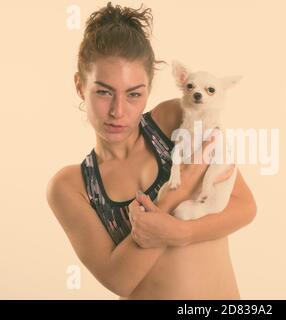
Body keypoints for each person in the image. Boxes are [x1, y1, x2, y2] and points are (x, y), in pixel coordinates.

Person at [46, 2, 256, 299]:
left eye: (134, 94)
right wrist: (173, 198)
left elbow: (245, 206)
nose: (118, 111)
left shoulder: (174, 120)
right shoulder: (71, 186)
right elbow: (119, 279)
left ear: (150, 87)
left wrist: (177, 233)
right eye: (104, 92)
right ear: (80, 85)